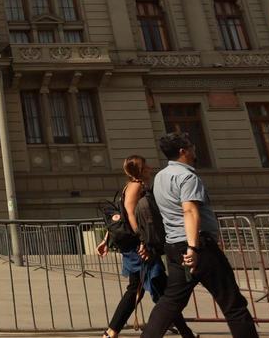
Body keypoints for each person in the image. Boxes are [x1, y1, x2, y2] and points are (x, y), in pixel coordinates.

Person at [141, 133, 259, 338]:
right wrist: (193, 248)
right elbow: (189, 211)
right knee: (233, 303)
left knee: (170, 301)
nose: (195, 150)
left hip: (174, 246)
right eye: (191, 147)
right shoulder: (187, 177)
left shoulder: (160, 177)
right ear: (183, 151)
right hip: (198, 247)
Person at [96, 156, 196, 338]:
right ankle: (111, 331)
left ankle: (112, 331)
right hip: (139, 248)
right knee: (154, 291)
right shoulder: (135, 186)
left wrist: (106, 239)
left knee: (154, 290)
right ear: (141, 169)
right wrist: (143, 239)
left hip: (139, 247)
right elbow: (129, 213)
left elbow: (121, 217)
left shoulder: (133, 185)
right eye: (147, 165)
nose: (150, 168)